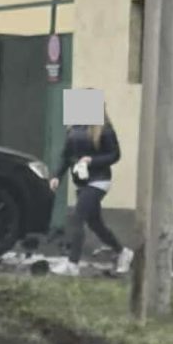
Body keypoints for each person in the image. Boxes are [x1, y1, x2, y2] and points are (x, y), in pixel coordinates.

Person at [50, 109, 134, 276]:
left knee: (77, 217)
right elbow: (66, 156)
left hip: (99, 180)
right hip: (82, 181)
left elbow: (115, 155)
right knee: (95, 224)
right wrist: (57, 176)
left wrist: (92, 160)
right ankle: (123, 252)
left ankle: (72, 264)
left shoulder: (105, 129)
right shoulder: (73, 129)